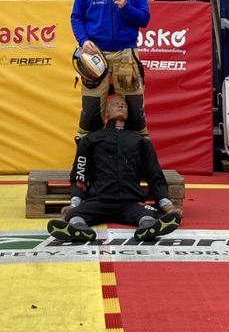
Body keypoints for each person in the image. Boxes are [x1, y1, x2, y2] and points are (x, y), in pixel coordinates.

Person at [47, 95, 183, 243]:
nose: (120, 106)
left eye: (124, 105)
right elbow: (80, 174)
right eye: (115, 104)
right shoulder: (91, 140)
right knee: (74, 215)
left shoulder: (140, 142)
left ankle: (148, 228)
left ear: (128, 113)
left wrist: (167, 206)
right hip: (98, 201)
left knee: (148, 215)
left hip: (130, 202)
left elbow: (154, 175)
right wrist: (74, 204)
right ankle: (78, 229)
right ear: (106, 113)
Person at [70, 0, 150, 137]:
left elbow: (144, 19)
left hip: (126, 55)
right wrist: (83, 40)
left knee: (134, 112)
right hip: (95, 55)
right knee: (91, 113)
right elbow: (76, 17)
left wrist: (126, 7)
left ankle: (136, 152)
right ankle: (86, 153)